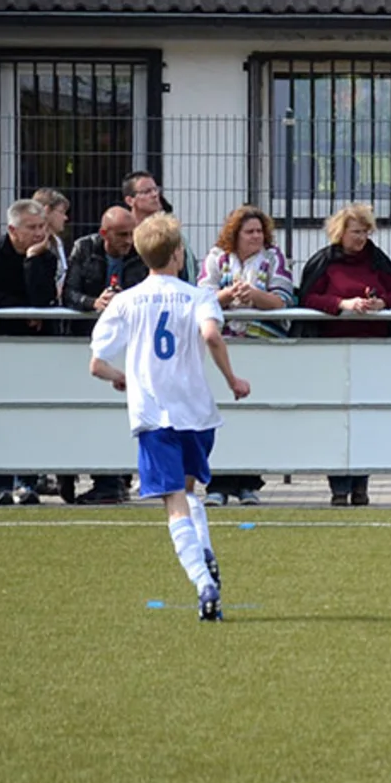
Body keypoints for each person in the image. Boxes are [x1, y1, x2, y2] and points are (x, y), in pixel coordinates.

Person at [87, 214, 251, 621]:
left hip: (153, 414)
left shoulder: (126, 300)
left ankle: (203, 582)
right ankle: (206, 551)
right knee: (191, 491)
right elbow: (212, 335)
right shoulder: (198, 296)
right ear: (178, 253)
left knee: (174, 501)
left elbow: (96, 363)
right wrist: (232, 378)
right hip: (195, 411)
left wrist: (119, 377)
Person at [296, 203, 391, 506]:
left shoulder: (379, 262)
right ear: (340, 232)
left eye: (365, 232)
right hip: (332, 352)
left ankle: (361, 484)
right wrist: (343, 304)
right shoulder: (324, 262)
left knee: (365, 418)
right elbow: (309, 296)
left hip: (373, 352)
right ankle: (338, 487)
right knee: (336, 419)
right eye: (356, 232)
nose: (361, 238)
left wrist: (380, 304)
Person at [198, 205, 296, 506]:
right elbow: (202, 298)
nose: (256, 237)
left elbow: (283, 300)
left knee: (255, 413)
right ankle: (216, 484)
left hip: (261, 345)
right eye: (249, 232)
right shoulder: (216, 258)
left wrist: (253, 296)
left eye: (259, 231)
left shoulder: (273, 258)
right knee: (218, 413)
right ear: (235, 234)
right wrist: (227, 296)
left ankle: (248, 484)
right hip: (223, 347)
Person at [0, 198, 61, 505]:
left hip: (34, 345)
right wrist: (18, 310)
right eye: (32, 228)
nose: (40, 233)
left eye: (42, 227)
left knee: (31, 412)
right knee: (1, 414)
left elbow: (43, 297)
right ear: (13, 229)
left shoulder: (45, 255)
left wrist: (31, 260)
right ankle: (1, 484)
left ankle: (28, 482)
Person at [62, 206, 146, 504]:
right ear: (104, 234)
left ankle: (114, 481)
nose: (129, 240)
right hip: (85, 340)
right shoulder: (84, 249)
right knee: (84, 410)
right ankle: (78, 477)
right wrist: (93, 302)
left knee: (121, 413)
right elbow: (68, 294)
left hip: (130, 342)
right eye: (122, 235)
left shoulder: (141, 251)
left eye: (132, 233)